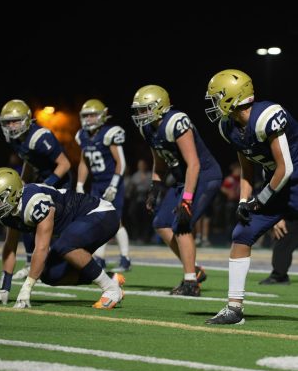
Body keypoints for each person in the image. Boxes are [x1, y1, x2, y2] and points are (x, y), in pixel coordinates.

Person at [204, 68, 298, 325]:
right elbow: (247, 168)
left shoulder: (266, 116)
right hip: (279, 186)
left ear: (233, 96)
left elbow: (286, 167)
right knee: (242, 234)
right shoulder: (229, 127)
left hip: (286, 180)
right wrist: (245, 200)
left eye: (217, 96)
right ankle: (234, 308)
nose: (213, 103)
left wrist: (261, 198)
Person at [0, 167, 124, 309]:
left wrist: (27, 288)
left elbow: (42, 248)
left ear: (12, 193)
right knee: (50, 275)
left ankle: (111, 289)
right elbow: (10, 247)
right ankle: (109, 278)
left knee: (64, 245)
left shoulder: (35, 202)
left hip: (102, 214)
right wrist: (4, 287)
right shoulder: (10, 212)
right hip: (78, 227)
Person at [131, 84, 222, 296]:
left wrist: (186, 201)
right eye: (139, 110)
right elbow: (160, 163)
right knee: (161, 224)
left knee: (182, 223)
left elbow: (194, 164)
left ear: (159, 106)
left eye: (145, 108)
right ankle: (195, 270)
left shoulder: (175, 122)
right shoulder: (147, 128)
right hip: (183, 179)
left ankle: (191, 282)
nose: (141, 114)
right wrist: (155, 188)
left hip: (205, 176)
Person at [0, 99, 72, 280]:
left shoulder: (41, 136)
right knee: (24, 218)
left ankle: (75, 262)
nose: (11, 125)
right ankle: (30, 262)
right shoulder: (16, 140)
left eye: (15, 121)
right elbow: (29, 160)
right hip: (40, 182)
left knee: (58, 228)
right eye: (8, 122)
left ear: (26, 119)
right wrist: (22, 182)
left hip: (59, 183)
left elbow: (65, 164)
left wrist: (47, 184)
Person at [75, 99, 131, 272]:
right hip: (97, 184)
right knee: (98, 221)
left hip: (112, 182)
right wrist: (79, 184)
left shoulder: (109, 133)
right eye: (86, 115)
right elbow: (84, 163)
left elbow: (120, 162)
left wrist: (114, 185)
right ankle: (99, 258)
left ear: (102, 116)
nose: (89, 119)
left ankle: (125, 258)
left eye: (93, 115)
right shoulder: (82, 136)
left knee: (116, 222)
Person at [258, 218, 298, 285]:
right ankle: (279, 275)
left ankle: (279, 276)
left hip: (291, 215)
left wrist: (280, 218)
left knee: (283, 243)